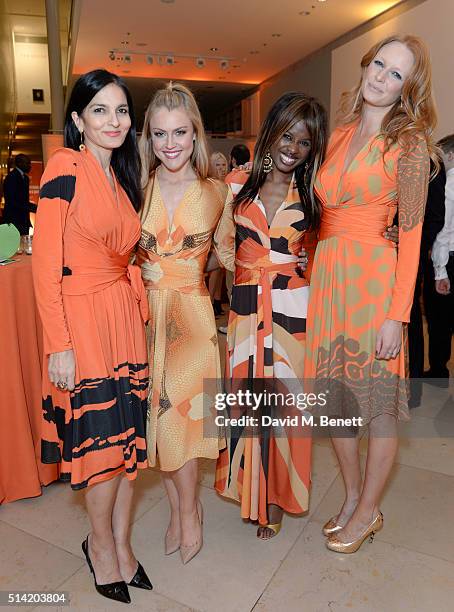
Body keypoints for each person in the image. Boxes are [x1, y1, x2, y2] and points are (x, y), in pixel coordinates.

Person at [304, 34, 436, 553]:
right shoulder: (336, 135)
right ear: (366, 66)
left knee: (377, 407)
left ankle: (369, 508)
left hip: (376, 283)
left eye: (396, 73)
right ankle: (354, 494)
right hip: (330, 278)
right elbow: (321, 212)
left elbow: (412, 236)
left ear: (408, 89)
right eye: (378, 64)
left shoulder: (411, 146)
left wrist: (396, 315)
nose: (381, 76)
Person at [32, 69, 152, 603]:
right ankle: (99, 545)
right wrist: (59, 342)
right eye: (99, 110)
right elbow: (44, 265)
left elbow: (124, 259)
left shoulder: (124, 179)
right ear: (78, 120)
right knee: (102, 450)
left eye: (121, 110)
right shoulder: (66, 166)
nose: (114, 120)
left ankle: (123, 545)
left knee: (128, 448)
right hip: (82, 322)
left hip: (123, 321)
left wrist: (141, 306)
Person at [215, 92, 328, 539]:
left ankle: (277, 497)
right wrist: (246, 267)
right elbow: (221, 244)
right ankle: (251, 491)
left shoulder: (313, 195)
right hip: (245, 309)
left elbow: (323, 252)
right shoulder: (236, 185)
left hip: (292, 312)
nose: (293, 147)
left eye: (304, 142)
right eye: (287, 135)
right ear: (271, 131)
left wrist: (301, 268)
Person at [136, 83, 234, 564]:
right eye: (159, 134)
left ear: (196, 134)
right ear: (148, 138)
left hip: (193, 319)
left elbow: (237, 254)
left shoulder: (216, 192)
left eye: (179, 132)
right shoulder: (138, 188)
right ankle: (178, 507)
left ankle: (190, 511)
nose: (169, 144)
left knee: (182, 424)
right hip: (146, 318)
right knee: (158, 421)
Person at [407, 159, 446, 404]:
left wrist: (411, 246)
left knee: (409, 321)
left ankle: (413, 390)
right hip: (373, 253)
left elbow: (435, 217)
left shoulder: (430, 162)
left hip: (409, 254)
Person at [425, 134, 454, 384]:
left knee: (440, 320)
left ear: (451, 155)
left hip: (449, 260)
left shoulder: (449, 181)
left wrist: (440, 271)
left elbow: (443, 229)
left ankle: (438, 371)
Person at [208, 152, 229, 315]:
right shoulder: (209, 185)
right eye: (218, 165)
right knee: (215, 269)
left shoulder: (225, 185)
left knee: (220, 270)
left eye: (223, 165)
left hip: (223, 233)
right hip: (212, 235)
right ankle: (210, 303)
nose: (222, 168)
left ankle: (215, 301)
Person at [2, 153, 37, 235]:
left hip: (24, 221)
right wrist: (31, 208)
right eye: (27, 163)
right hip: (13, 221)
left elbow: (23, 200)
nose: (30, 166)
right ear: (19, 163)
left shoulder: (25, 178)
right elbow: (12, 201)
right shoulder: (11, 177)